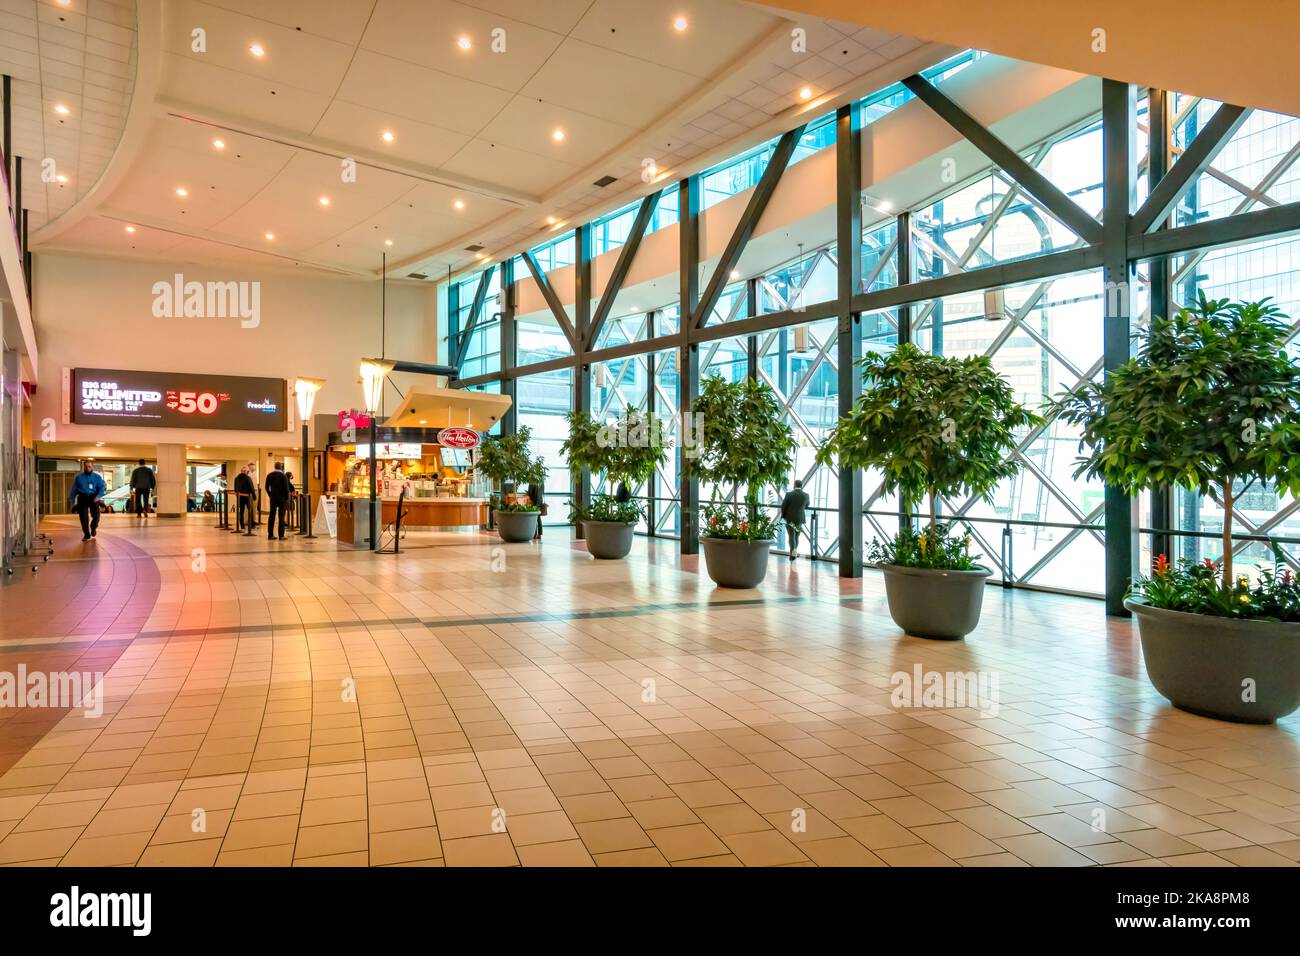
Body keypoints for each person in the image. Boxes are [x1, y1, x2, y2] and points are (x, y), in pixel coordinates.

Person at [69, 461, 107, 541]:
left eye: (89, 466)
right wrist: (71, 499)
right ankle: (86, 534)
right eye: (86, 466)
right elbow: (74, 489)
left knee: (96, 517)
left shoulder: (97, 477)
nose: (87, 468)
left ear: (92, 467)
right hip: (82, 497)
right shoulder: (79, 477)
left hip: (93, 498)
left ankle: (93, 527)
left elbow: (102, 488)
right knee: (83, 518)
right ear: (83, 467)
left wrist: (98, 496)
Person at [780, 479, 810, 559]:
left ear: (794, 485)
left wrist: (783, 516)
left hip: (790, 518)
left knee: (791, 536)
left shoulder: (789, 494)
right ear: (801, 485)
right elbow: (807, 505)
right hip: (800, 518)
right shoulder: (806, 495)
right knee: (796, 536)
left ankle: (792, 555)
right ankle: (794, 553)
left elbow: (783, 506)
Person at [265, 461, 291, 540]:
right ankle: (281, 535)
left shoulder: (269, 475)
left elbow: (266, 487)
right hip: (282, 499)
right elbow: (286, 489)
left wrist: (270, 495)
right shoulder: (283, 476)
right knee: (281, 517)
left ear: (275, 467)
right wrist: (287, 498)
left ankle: (270, 535)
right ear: (281, 467)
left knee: (271, 516)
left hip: (273, 498)